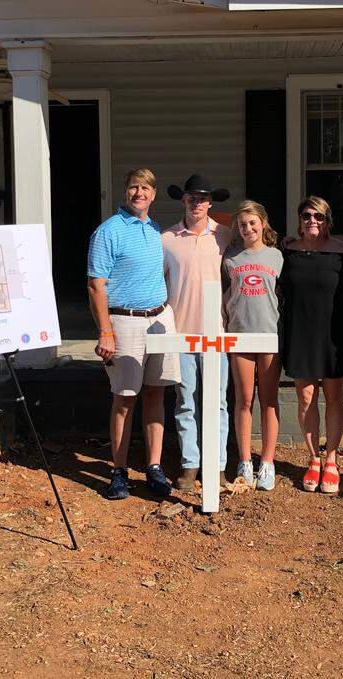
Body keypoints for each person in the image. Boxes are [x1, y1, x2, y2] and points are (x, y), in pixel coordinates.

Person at [87, 168, 181, 502]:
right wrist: (105, 331)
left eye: (145, 188)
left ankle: (154, 467)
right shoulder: (107, 231)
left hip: (160, 317)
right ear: (125, 192)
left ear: (153, 195)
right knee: (125, 398)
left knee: (156, 394)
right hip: (124, 322)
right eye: (133, 187)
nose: (139, 192)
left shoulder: (156, 230)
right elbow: (96, 285)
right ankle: (119, 471)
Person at [161, 174, 233, 492]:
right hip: (181, 334)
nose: (197, 203)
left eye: (203, 198)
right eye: (192, 197)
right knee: (185, 400)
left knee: (217, 402)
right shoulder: (167, 239)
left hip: (216, 332)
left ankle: (216, 466)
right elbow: (156, 284)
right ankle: (190, 464)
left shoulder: (225, 237)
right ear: (183, 201)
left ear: (210, 203)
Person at [279, 196, 343, 494]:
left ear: (327, 220)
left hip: (333, 333)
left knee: (334, 397)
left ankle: (332, 460)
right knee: (306, 398)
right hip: (300, 332)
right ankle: (313, 459)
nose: (313, 221)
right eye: (308, 215)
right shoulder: (288, 250)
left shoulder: (341, 251)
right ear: (300, 219)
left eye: (319, 216)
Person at [223, 200, 283, 491]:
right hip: (239, 335)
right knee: (244, 399)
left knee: (268, 399)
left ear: (263, 224)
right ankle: (245, 460)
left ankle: (267, 462)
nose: (247, 228)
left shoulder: (277, 257)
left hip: (269, 336)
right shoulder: (230, 257)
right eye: (242, 224)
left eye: (252, 223)